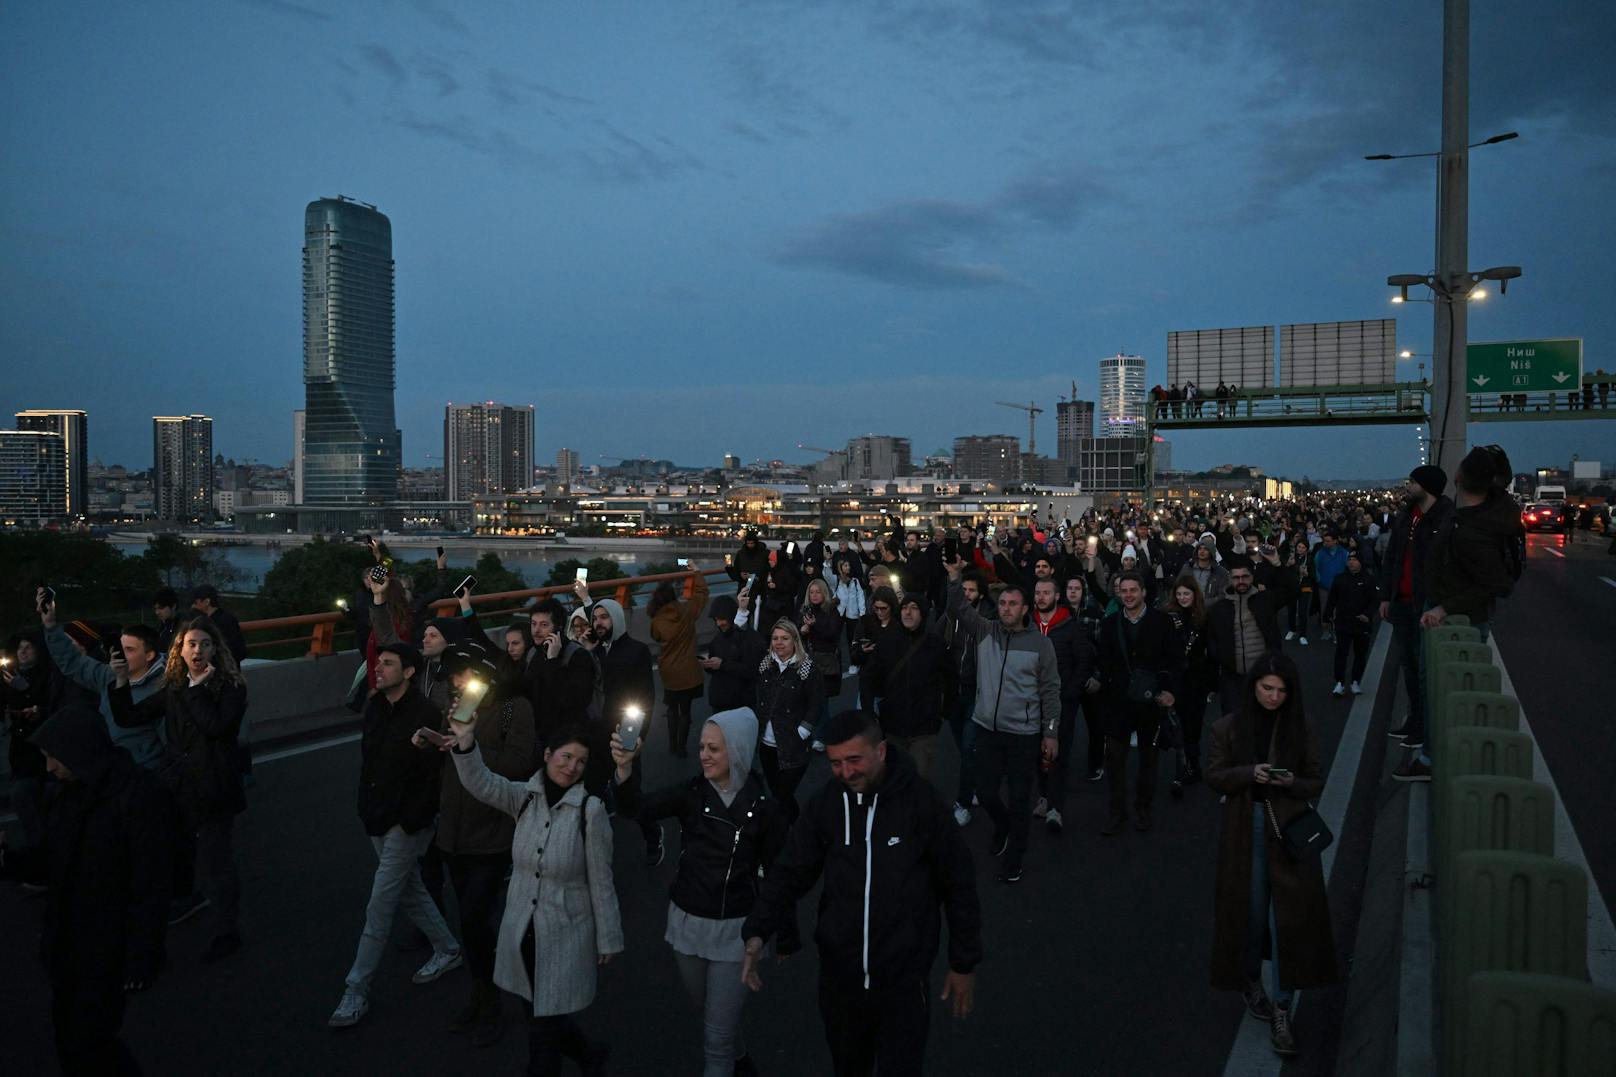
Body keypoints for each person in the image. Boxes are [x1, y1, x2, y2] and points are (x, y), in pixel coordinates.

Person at [740, 709, 982, 1077]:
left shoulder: (923, 804)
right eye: (836, 763)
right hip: (841, 982)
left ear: (881, 751)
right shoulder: (826, 804)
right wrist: (758, 929)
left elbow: (959, 883)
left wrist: (963, 962)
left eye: (854, 760)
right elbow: (790, 871)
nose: (846, 772)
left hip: (902, 982)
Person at [433, 721, 620, 1077]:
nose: (571, 767)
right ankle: (589, 1054)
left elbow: (602, 878)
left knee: (542, 1033)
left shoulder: (590, 811)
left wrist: (609, 935)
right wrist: (466, 745)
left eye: (581, 762)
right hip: (522, 931)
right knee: (537, 1014)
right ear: (547, 756)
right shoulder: (524, 798)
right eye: (565, 756)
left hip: (565, 934)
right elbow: (481, 783)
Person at [611, 709, 791, 1077]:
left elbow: (778, 876)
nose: (704, 755)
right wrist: (625, 769)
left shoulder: (766, 810)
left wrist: (784, 933)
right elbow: (635, 809)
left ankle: (728, 1056)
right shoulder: (690, 794)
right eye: (702, 747)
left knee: (715, 1041)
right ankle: (740, 1058)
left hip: (734, 930)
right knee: (708, 1011)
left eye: (714, 748)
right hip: (688, 922)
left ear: (738, 751)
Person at [1205, 654, 1338, 1058]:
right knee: (1251, 913)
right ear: (1254, 687)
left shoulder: (1302, 727)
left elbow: (1315, 779)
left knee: (1288, 923)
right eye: (1267, 688)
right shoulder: (1227, 727)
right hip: (1246, 828)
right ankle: (1250, 981)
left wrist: (1292, 781)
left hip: (1288, 829)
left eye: (1281, 691)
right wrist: (1249, 774)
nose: (1274, 697)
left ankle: (1282, 1006)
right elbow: (1214, 774)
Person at [31, 705, 175, 1077]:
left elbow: (152, 881)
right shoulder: (67, 793)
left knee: (92, 1042)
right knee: (69, 1037)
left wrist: (143, 955)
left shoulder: (138, 796)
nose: (49, 768)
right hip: (67, 944)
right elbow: (51, 861)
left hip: (106, 947)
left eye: (54, 757)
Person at [329, 643, 462, 1029]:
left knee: (381, 902)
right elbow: (369, 761)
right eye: (378, 663)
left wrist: (411, 820)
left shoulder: (426, 713)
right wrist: (365, 806)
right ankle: (448, 948)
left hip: (405, 821)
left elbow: (432, 773)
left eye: (388, 664)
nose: (379, 669)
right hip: (375, 813)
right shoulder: (374, 707)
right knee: (410, 890)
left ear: (408, 672)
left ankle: (356, 989)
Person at [108, 616, 249, 963]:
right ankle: (181, 902)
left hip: (215, 785)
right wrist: (122, 680)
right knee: (172, 850)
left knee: (217, 861)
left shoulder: (230, 686)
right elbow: (129, 717)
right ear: (180, 651)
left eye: (205, 643)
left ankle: (225, 931)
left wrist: (198, 688)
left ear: (216, 649)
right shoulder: (174, 687)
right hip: (179, 784)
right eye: (191, 644)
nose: (198, 649)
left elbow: (216, 728)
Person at [1396, 445, 1524, 782]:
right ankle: (1432, 749)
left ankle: (1433, 758)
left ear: (1458, 476)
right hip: (1443, 609)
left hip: (1456, 619)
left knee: (1442, 690)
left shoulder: (1474, 528)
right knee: (1434, 686)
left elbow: (1498, 584)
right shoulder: (1480, 512)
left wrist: (1443, 606)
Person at [433, 640, 537, 1048]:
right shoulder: (456, 710)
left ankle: (493, 996)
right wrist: (439, 741)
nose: (457, 683)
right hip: (454, 834)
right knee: (469, 922)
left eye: (464, 674)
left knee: (478, 917)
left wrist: (469, 744)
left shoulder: (514, 708)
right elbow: (448, 766)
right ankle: (481, 989)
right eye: (453, 677)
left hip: (493, 834)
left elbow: (518, 764)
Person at [944, 553, 1060, 884]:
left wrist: (1050, 733)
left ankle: (1015, 856)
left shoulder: (1041, 645)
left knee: (1020, 797)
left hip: (1023, 734)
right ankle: (1003, 825)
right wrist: (954, 578)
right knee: (988, 791)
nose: (1006, 608)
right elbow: (959, 609)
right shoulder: (985, 631)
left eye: (1013, 604)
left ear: (1026, 610)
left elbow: (1051, 690)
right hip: (986, 728)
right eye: (1003, 602)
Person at [573, 581, 662, 864]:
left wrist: (637, 737)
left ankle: (653, 834)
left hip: (625, 734)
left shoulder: (636, 651)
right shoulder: (595, 649)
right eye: (595, 618)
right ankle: (591, 847)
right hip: (596, 734)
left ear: (617, 618)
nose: (598, 623)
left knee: (630, 798)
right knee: (593, 790)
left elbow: (646, 697)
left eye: (604, 617)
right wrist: (588, 649)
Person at [1095, 572, 1182, 835]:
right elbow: (1103, 661)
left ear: (1144, 592)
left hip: (1151, 700)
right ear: (1119, 594)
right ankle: (1117, 812)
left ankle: (1143, 807)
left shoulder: (1162, 622)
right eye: (1124, 591)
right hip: (1118, 701)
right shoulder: (1110, 624)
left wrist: (1169, 691)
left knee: (1149, 758)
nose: (1129, 595)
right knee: (1114, 759)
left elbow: (1175, 660)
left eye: (1134, 590)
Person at [1030, 577, 1096, 834]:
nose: (1041, 597)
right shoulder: (1029, 625)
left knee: (1058, 752)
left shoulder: (1070, 626)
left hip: (1061, 702)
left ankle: (1055, 807)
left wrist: (1069, 693)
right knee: (1037, 751)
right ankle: (1044, 795)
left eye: (1046, 592)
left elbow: (1084, 661)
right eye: (1037, 593)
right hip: (1032, 701)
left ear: (1057, 596)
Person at [866, 593, 946, 781]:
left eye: (914, 608)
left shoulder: (935, 645)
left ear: (924, 613)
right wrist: (870, 712)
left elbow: (950, 679)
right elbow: (868, 678)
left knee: (916, 781)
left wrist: (942, 713)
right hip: (892, 726)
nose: (908, 613)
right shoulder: (888, 641)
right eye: (904, 608)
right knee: (892, 780)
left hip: (924, 729)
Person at [752, 617, 823, 823]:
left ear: (795, 640)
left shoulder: (807, 669)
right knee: (779, 795)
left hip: (793, 745)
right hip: (767, 746)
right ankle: (795, 828)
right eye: (775, 638)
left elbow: (817, 703)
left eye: (785, 638)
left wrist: (803, 730)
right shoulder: (765, 665)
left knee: (781, 795)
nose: (779, 643)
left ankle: (789, 833)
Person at [940, 571, 992, 826]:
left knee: (969, 745)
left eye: (971, 590)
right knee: (963, 745)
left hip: (976, 690)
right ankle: (975, 783)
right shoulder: (950, 617)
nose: (967, 595)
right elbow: (934, 642)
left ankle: (962, 801)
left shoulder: (987, 619)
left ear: (980, 593)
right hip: (953, 690)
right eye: (964, 591)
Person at [1208, 556, 1283, 715]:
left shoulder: (1265, 600)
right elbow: (1212, 639)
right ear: (1230, 579)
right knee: (1233, 721)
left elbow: (1292, 590)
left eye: (1245, 577)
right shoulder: (1220, 608)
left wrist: (1277, 565)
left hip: (1263, 674)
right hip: (1232, 677)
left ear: (1252, 577)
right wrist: (1222, 658)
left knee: (1263, 720)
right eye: (1236, 577)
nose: (1241, 581)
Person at [648, 569, 711, 757]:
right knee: (686, 711)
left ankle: (672, 745)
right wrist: (696, 571)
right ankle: (682, 748)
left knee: (671, 708)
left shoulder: (657, 620)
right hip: (689, 670)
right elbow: (702, 593)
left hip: (669, 671)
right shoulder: (687, 611)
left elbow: (656, 637)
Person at [1164, 577, 1216, 791]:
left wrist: (1213, 685)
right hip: (1176, 679)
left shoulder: (1204, 618)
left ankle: (1193, 764)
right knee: (1179, 726)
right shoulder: (1169, 617)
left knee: (1193, 725)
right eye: (1179, 594)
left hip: (1197, 679)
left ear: (1195, 594)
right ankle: (1185, 765)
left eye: (1187, 594)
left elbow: (1212, 651)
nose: (1183, 598)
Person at [525, 597, 597, 749]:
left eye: (544, 625)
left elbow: (573, 701)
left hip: (568, 739)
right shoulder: (533, 652)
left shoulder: (577, 655)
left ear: (558, 627)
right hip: (538, 736)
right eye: (533, 624)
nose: (536, 630)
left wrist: (552, 661)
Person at [700, 593, 766, 715]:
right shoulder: (717, 639)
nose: (719, 623)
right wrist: (709, 665)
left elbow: (752, 671)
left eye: (722, 619)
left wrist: (722, 664)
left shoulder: (750, 638)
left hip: (741, 704)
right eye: (716, 620)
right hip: (719, 703)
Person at [1323, 549, 1378, 696]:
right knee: (1341, 653)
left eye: (1355, 560)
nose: (1352, 563)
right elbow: (1332, 600)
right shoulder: (1340, 579)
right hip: (1343, 622)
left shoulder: (1369, 579)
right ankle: (1339, 683)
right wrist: (1326, 617)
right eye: (1349, 560)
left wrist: (1367, 614)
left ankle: (1355, 681)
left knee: (1360, 654)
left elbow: (1374, 600)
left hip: (1362, 623)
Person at [190, 585, 248, 666]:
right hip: (231, 669)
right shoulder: (229, 618)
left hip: (219, 670)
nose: (193, 606)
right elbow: (241, 650)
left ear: (207, 602)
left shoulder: (209, 623)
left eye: (196, 602)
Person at [1310, 533, 1348, 643]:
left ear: (1335, 541)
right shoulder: (1320, 553)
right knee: (1324, 609)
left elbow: (1348, 568)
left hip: (1339, 588)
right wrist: (1319, 579)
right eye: (1324, 541)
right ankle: (1325, 630)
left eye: (1328, 540)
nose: (1325, 543)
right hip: (1324, 587)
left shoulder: (1344, 553)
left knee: (1338, 611)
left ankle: (1336, 632)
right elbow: (1315, 567)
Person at [1284, 535, 1315, 644]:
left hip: (1305, 587)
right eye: (1299, 546)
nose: (1300, 549)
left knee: (1302, 611)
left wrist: (1307, 574)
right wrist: (1288, 564)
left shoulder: (1310, 559)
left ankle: (1302, 634)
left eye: (1303, 547)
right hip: (1292, 587)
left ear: (1307, 549)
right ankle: (1292, 629)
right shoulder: (1291, 556)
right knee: (1291, 610)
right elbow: (1283, 572)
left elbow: (1313, 575)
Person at [153, 587, 182, 653]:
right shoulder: (162, 627)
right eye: (155, 609)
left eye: (161, 608)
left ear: (173, 606)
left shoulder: (182, 627)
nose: (157, 612)